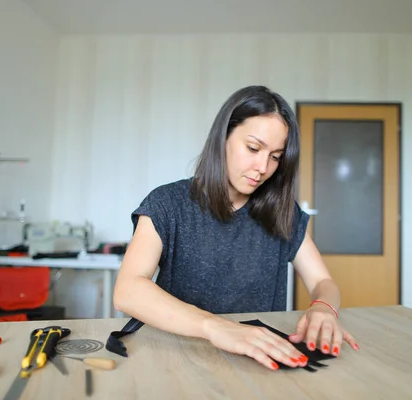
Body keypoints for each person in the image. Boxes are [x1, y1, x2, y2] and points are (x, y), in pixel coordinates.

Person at [113, 85, 359, 371]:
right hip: (178, 355)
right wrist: (215, 327)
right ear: (223, 138)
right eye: (253, 148)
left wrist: (324, 308)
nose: (263, 167)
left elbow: (323, 283)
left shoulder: (282, 212)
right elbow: (128, 290)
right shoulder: (168, 203)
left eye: (276, 156)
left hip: (255, 362)